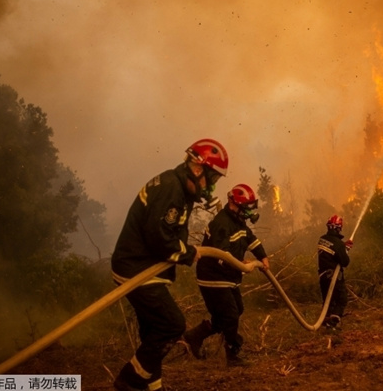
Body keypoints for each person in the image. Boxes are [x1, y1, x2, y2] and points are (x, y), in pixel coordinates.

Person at [111, 139, 228, 391]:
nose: (210, 187)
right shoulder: (171, 190)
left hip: (139, 266)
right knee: (172, 324)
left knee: (152, 331)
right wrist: (187, 253)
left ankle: (153, 387)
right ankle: (130, 379)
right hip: (137, 269)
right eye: (212, 179)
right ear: (197, 169)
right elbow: (159, 238)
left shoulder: (178, 187)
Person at [183, 183, 270, 366]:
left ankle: (195, 335)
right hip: (213, 276)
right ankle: (232, 353)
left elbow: (251, 240)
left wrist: (262, 257)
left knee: (237, 309)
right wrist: (241, 265)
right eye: (245, 209)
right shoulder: (221, 224)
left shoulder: (238, 222)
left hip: (228, 276)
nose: (248, 213)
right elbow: (222, 256)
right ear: (233, 204)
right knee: (230, 315)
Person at [317, 214, 353, 329]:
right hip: (334, 277)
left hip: (323, 276)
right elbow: (345, 262)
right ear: (339, 228)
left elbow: (332, 250)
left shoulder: (322, 239)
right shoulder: (338, 244)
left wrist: (343, 247)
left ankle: (326, 322)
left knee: (328, 301)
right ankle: (333, 322)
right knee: (341, 300)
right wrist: (345, 250)